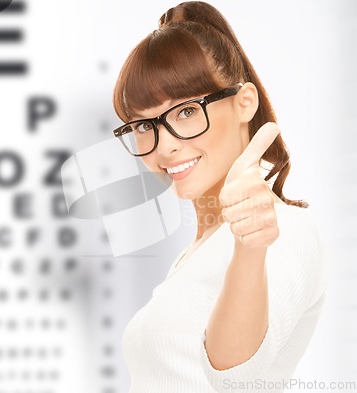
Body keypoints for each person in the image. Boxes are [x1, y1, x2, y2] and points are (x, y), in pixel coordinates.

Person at [111, 2, 327, 392]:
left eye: (186, 112)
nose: (165, 146)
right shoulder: (199, 249)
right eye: (144, 124)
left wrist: (250, 249)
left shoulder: (282, 229)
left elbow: (236, 375)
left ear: (244, 103)